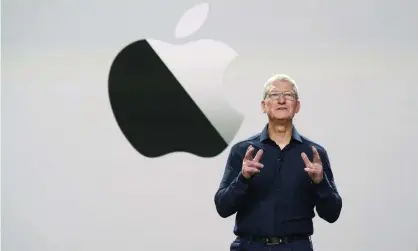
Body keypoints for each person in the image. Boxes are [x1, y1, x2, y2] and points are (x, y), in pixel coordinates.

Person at [214, 74, 342, 251]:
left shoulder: (314, 154)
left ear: (297, 106)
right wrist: (243, 178)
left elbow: (332, 214)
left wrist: (320, 183)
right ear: (263, 105)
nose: (281, 100)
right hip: (250, 246)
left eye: (288, 95)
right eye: (274, 95)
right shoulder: (243, 152)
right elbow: (223, 207)